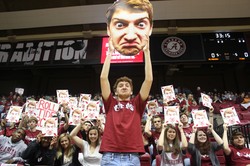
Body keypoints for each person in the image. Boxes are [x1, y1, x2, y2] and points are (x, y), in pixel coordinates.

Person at [100, 0, 153, 165]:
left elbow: (148, 80)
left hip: (132, 157)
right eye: (120, 85)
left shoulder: (137, 103)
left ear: (132, 91)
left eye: (127, 85)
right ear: (115, 91)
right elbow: (103, 78)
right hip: (109, 155)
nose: (124, 86)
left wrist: (147, 53)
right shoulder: (110, 102)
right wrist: (109, 54)